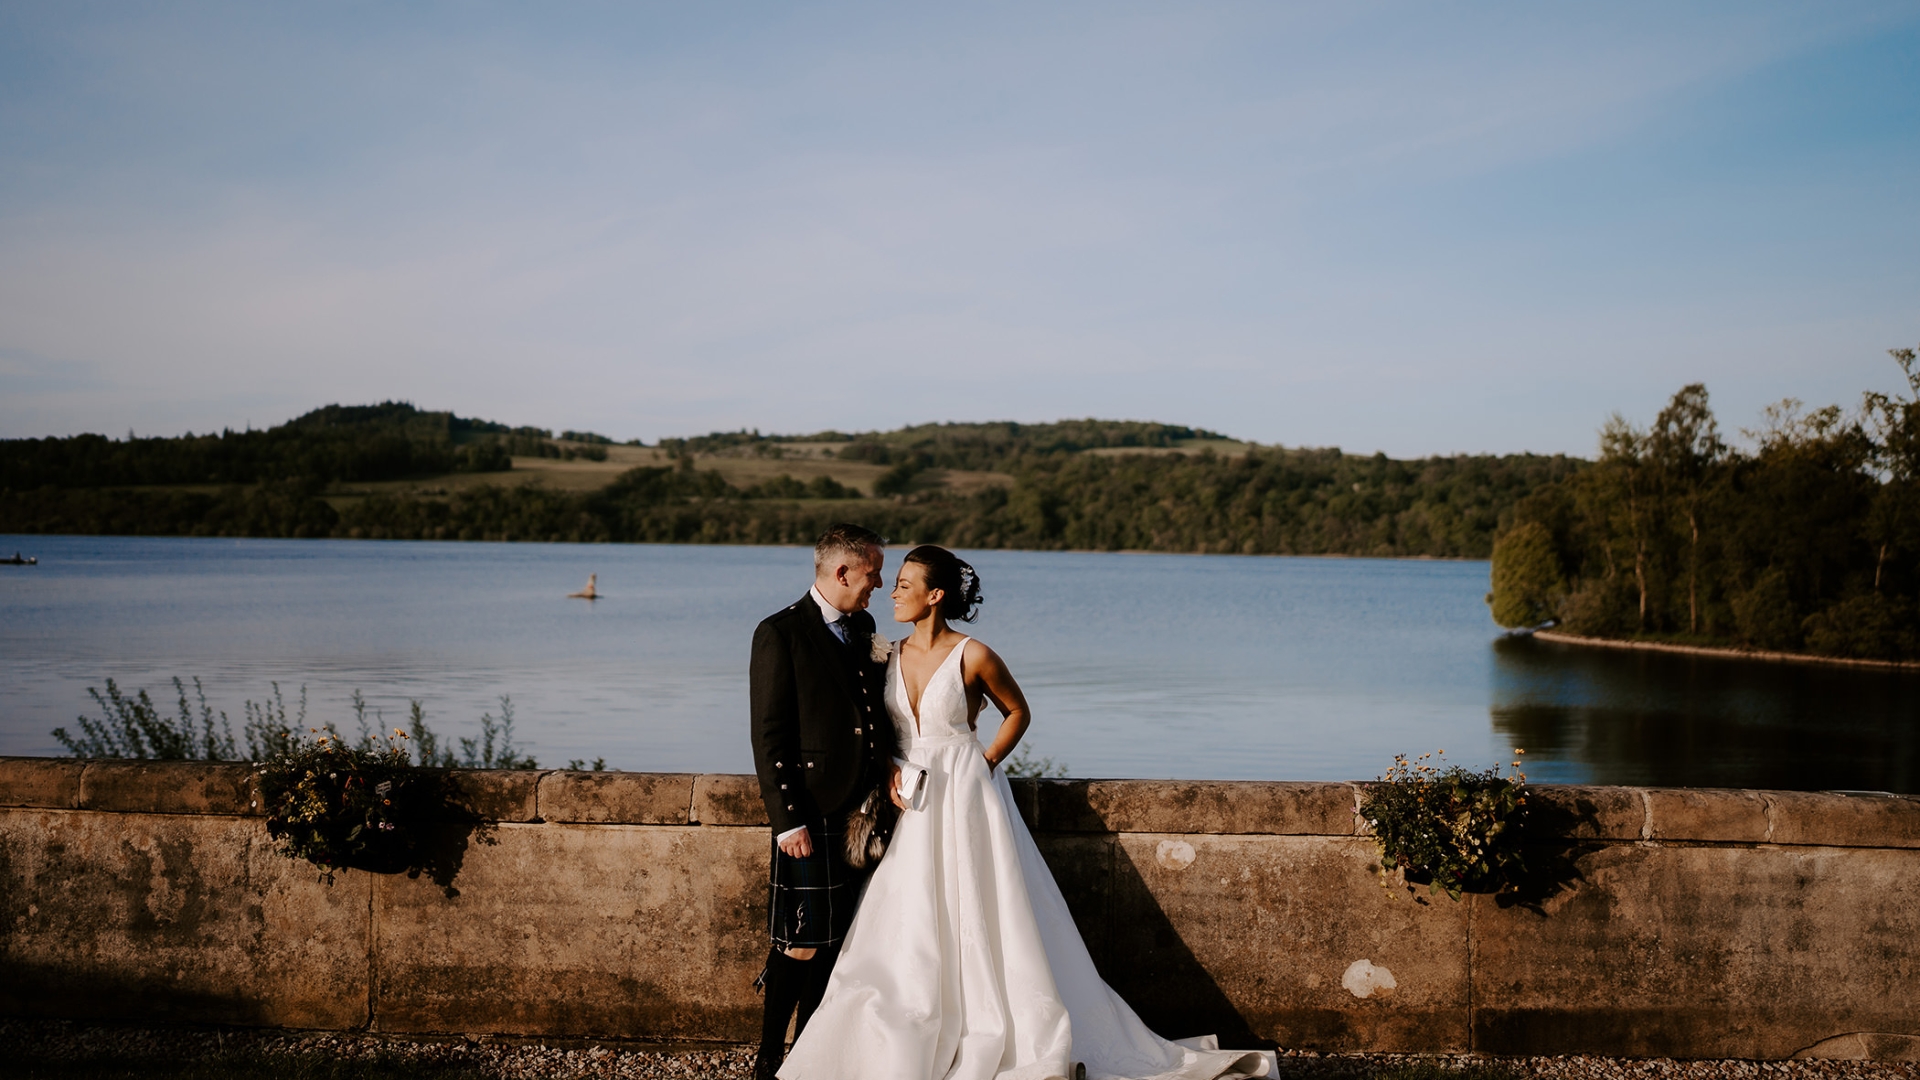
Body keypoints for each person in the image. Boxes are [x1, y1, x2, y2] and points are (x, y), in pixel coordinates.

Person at [779, 545, 1271, 1080]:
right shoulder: (885, 652)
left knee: (985, 906)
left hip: (966, 793)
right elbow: (877, 726)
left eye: (903, 583)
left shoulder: (975, 654)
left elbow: (1017, 712)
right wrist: (891, 766)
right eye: (892, 583)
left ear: (935, 595)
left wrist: (983, 760)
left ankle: (995, 1025)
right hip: (911, 800)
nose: (892, 592)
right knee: (908, 910)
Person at [749, 523, 903, 1080]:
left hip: (861, 813)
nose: (881, 584)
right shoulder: (780, 633)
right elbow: (770, 735)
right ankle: (768, 1057)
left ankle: (810, 1055)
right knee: (803, 940)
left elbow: (869, 714)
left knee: (838, 942)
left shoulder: (862, 626)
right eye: (874, 573)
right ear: (843, 572)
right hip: (809, 813)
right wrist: (787, 820)